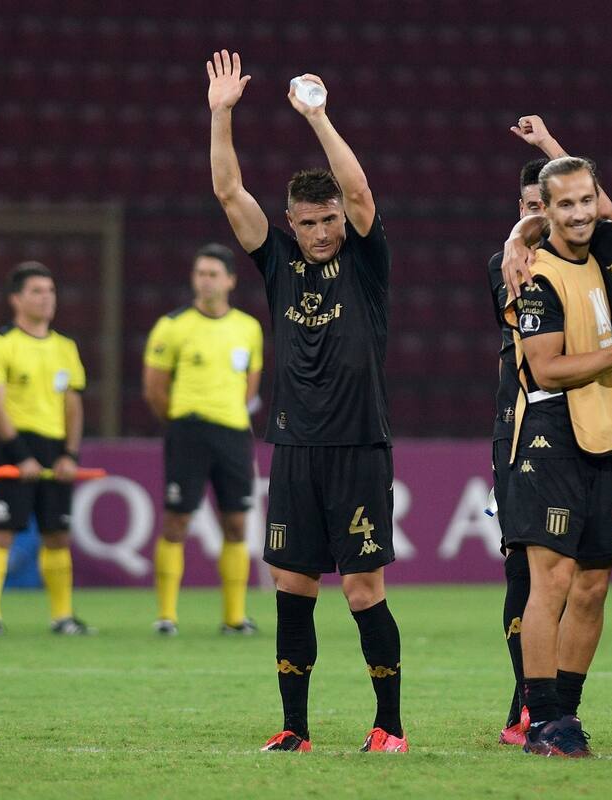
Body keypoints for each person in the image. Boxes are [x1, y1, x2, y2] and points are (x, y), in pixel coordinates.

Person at [208, 50, 405, 753]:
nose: (322, 233)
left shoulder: (365, 261)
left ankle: (389, 726)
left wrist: (318, 118)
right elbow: (229, 192)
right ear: (290, 223)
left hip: (357, 446)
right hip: (293, 447)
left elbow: (360, 191)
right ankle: (295, 728)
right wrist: (221, 113)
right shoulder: (279, 263)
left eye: (329, 220)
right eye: (309, 223)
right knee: (292, 586)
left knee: (362, 590)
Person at [500, 156, 612, 757]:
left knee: (593, 585)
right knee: (551, 582)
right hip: (552, 435)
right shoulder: (536, 275)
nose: (578, 213)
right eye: (563, 204)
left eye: (585, 201)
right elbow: (546, 367)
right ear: (544, 210)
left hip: (607, 429)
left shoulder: (604, 252)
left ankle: (566, 714)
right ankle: (542, 718)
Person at [143, 243, 263, 636]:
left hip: (233, 433)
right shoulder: (172, 325)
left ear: (230, 280)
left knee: (236, 523)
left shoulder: (248, 327)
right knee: (176, 520)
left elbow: (251, 383)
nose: (205, 281)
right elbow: (155, 389)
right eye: (200, 273)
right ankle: (167, 616)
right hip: (189, 432)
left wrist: (230, 412)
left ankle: (234, 618)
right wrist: (181, 420)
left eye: (213, 274)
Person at [0, 261, 92, 636]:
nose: (46, 298)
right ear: (16, 299)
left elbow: (73, 406)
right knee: (1, 532)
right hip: (13, 447)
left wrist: (70, 455)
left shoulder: (66, 347)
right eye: (37, 291)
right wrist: (21, 455)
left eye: (50, 291)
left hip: (55, 448)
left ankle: (63, 616)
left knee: (57, 535)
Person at [487, 158, 546, 745]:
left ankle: (549, 703)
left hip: (585, 426)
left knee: (575, 577)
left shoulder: (594, 264)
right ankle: (525, 703)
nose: (538, 215)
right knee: (521, 567)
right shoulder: (502, 266)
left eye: (546, 205)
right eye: (530, 206)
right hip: (518, 426)